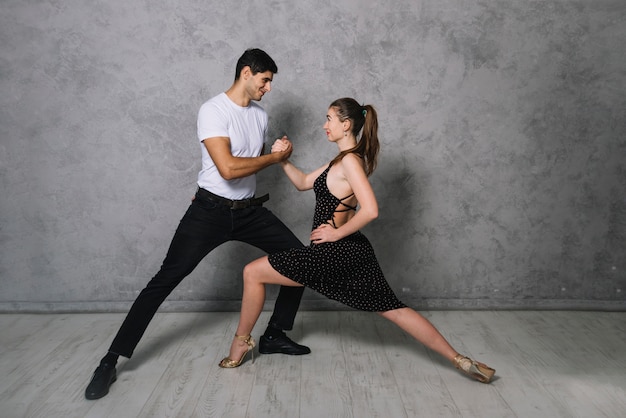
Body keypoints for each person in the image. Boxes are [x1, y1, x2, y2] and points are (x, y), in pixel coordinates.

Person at [85, 48, 312, 400]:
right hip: (209, 213)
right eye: (265, 80)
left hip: (250, 211)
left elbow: (253, 160)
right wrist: (274, 158)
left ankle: (274, 335)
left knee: (301, 261)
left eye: (270, 83)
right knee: (163, 281)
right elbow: (228, 169)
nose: (268, 88)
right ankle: (110, 360)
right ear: (247, 73)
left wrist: (278, 152)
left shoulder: (260, 115)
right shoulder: (213, 110)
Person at [219, 97, 496, 383]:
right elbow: (303, 183)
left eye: (329, 119)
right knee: (395, 309)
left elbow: (371, 209)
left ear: (346, 124)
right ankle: (461, 360)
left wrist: (335, 233)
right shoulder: (341, 160)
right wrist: (283, 160)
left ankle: (240, 344)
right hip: (353, 252)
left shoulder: (350, 161)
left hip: (335, 252)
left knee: (252, 272)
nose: (324, 125)